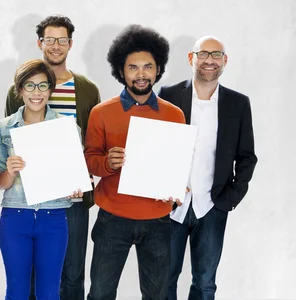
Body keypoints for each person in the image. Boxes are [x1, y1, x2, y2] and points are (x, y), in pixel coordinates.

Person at [84, 24, 185, 300]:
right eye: (133, 67)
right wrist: (108, 163)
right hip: (112, 219)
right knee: (101, 293)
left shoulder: (174, 114)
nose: (141, 74)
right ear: (121, 71)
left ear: (158, 69)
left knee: (157, 295)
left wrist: (178, 186)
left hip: (158, 220)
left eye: (148, 67)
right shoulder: (101, 113)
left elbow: (177, 164)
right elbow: (90, 162)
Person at [4, 15, 100, 299]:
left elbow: (91, 144)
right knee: (33, 276)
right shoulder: (17, 90)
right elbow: (11, 136)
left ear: (70, 44)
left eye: (62, 40)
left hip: (71, 195)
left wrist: (83, 180)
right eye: (49, 39)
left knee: (72, 272)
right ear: (39, 43)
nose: (55, 46)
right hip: (32, 197)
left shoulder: (87, 90)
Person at [158, 36, 257, 300]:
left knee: (205, 283)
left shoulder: (238, 103)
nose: (209, 60)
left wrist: (230, 198)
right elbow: (156, 148)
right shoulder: (168, 95)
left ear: (225, 61)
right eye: (203, 54)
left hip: (212, 206)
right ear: (191, 58)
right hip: (171, 205)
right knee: (163, 280)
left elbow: (247, 156)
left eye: (216, 55)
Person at [0, 59, 83, 299]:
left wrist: (77, 189)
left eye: (43, 86)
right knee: (17, 291)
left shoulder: (67, 128)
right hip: (15, 217)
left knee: (49, 293)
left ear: (51, 90)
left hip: (53, 218)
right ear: (20, 89)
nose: (37, 93)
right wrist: (10, 171)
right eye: (30, 86)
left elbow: (75, 177)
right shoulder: (4, 128)